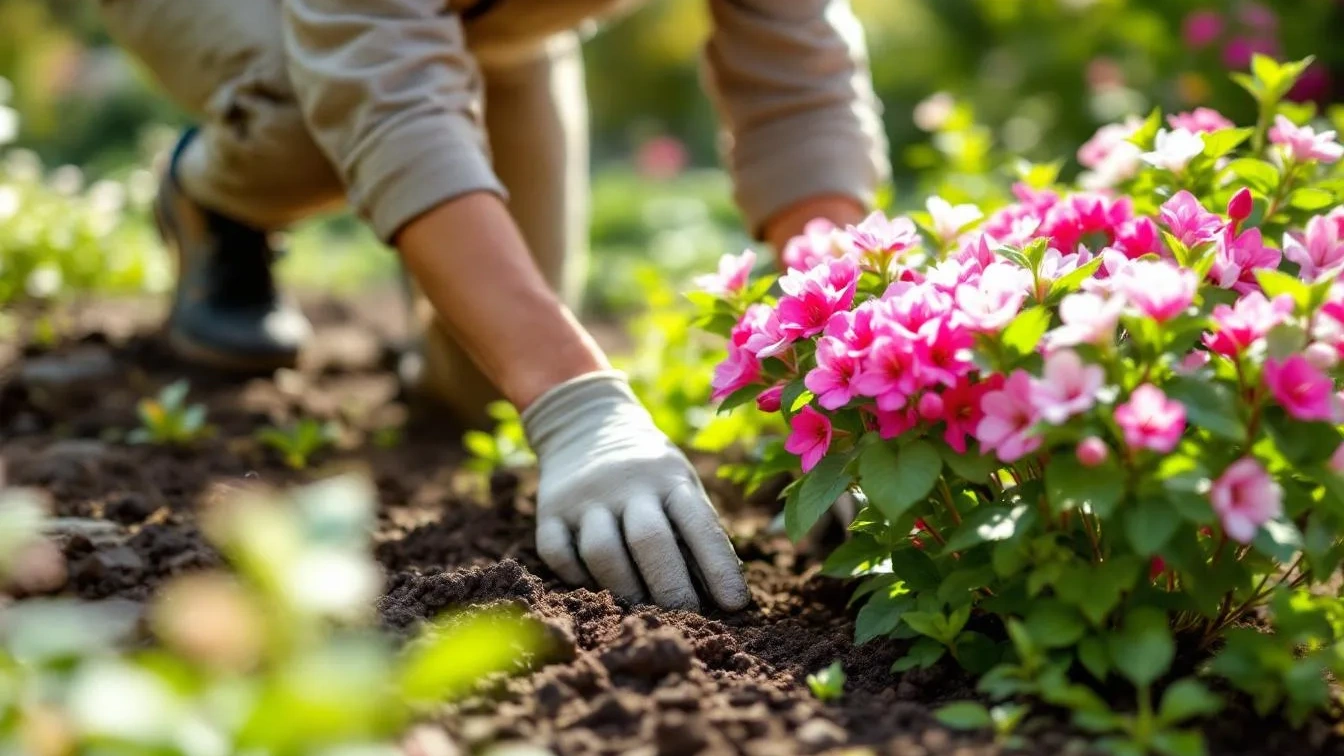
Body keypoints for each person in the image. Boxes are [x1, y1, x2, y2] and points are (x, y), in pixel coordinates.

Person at [98, 0, 891, 612]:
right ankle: (212, 196)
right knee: (313, 122)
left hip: (499, 25)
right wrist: (577, 404)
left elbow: (799, 85)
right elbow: (387, 102)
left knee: (483, 388)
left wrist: (841, 356)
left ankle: (441, 243)